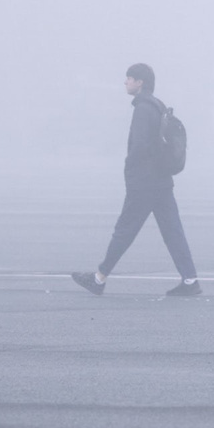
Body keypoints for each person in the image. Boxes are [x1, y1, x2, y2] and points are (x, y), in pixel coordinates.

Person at [71, 64, 203, 298]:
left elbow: (140, 146)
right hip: (162, 181)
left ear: (140, 82)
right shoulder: (158, 105)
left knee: (124, 230)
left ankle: (99, 278)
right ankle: (190, 279)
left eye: (129, 78)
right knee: (173, 231)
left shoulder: (143, 108)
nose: (126, 82)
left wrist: (130, 171)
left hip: (144, 182)